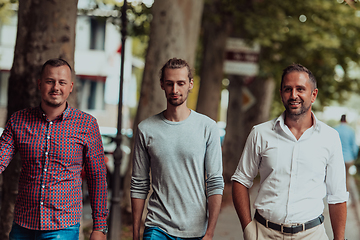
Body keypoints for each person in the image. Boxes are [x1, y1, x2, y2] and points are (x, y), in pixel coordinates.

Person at [231, 63, 348, 240]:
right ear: (281, 94)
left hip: (312, 235)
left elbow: (337, 196)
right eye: (288, 89)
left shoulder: (330, 138)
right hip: (263, 233)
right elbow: (240, 180)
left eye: (300, 89)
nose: (294, 95)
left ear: (313, 94)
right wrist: (248, 229)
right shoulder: (260, 134)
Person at [0, 58, 109, 240]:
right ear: (40, 84)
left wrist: (100, 226)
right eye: (50, 81)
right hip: (23, 224)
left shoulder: (87, 125)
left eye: (62, 82)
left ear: (71, 87)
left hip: (62, 227)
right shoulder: (18, 121)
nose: (56, 87)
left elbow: (97, 176)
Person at [131, 58, 224, 240]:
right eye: (170, 84)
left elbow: (214, 182)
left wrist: (210, 232)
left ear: (190, 84)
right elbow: (139, 184)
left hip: (195, 230)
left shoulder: (207, 127)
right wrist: (136, 232)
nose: (175, 90)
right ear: (162, 85)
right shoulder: (146, 129)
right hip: (157, 227)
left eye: (180, 83)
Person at [335, 114, 359, 189]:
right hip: (348, 158)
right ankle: (345, 195)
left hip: (336, 158)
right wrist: (354, 156)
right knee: (347, 178)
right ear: (346, 120)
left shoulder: (335, 129)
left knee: (336, 177)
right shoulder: (350, 130)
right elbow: (354, 146)